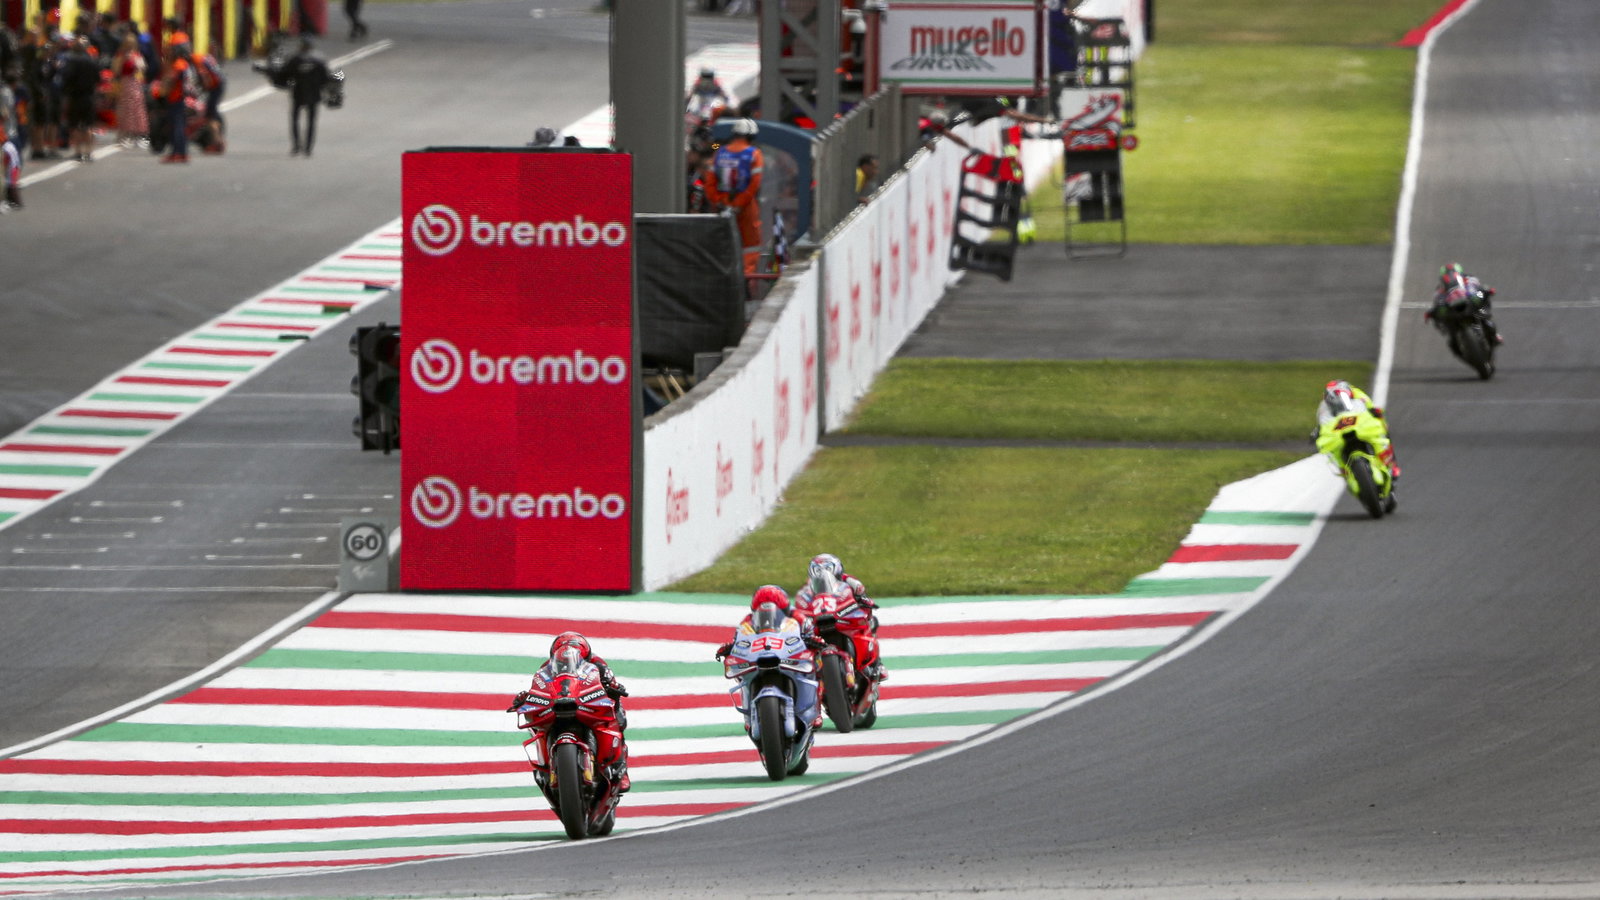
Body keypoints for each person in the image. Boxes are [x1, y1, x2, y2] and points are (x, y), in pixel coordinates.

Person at [510, 632, 630, 793]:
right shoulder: (545, 668)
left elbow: (612, 682)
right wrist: (526, 697)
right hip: (560, 702)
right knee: (535, 727)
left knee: (618, 719)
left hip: (587, 701)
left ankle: (620, 770)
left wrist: (614, 688)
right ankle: (545, 765)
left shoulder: (599, 664)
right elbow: (539, 685)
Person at [704, 117, 764, 274]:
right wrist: (738, 204)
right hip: (746, 208)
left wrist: (720, 202)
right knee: (750, 246)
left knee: (722, 244)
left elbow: (709, 184)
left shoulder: (719, 153)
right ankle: (746, 280)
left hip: (721, 207)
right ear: (751, 136)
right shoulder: (754, 154)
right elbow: (753, 186)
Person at [1313, 380, 1399, 480]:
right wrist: (1318, 430)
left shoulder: (1358, 395)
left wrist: (1374, 412)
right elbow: (1322, 420)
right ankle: (1343, 468)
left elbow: (1370, 406)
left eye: (1337, 393)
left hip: (1360, 422)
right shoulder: (1324, 406)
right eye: (1330, 394)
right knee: (1330, 447)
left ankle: (1390, 462)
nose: (1335, 396)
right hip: (1342, 427)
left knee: (1381, 428)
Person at [715, 585, 823, 661]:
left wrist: (811, 639)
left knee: (820, 657)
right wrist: (730, 647)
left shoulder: (796, 616)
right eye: (762, 612)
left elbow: (810, 633)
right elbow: (738, 639)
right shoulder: (748, 621)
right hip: (759, 656)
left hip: (792, 654)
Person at [1428, 262, 1502, 347]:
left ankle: (1493, 335)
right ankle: (1459, 343)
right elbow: (1438, 304)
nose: (1451, 276)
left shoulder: (1470, 279)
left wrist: (1486, 292)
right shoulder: (1439, 291)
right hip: (1453, 312)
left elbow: (1479, 289)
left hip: (1470, 305)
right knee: (1452, 341)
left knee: (1486, 319)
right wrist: (1434, 312)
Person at [283, 38, 330, 156]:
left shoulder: (294, 59)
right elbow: (325, 78)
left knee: (295, 120)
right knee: (311, 122)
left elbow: (285, 75)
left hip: (298, 93)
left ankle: (296, 146)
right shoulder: (319, 61)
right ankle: (308, 148)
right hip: (314, 94)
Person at [154, 42, 195, 163]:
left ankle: (178, 152)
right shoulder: (182, 64)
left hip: (176, 99)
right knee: (179, 126)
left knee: (176, 127)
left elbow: (170, 80)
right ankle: (180, 152)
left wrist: (163, 90)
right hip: (178, 98)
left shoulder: (179, 65)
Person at [59, 37, 98, 162]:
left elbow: (66, 77)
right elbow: (97, 78)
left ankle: (78, 151)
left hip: (75, 96)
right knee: (88, 125)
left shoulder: (71, 61)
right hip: (89, 95)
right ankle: (89, 151)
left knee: (75, 124)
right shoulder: (92, 61)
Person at [110, 31, 148, 148]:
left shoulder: (137, 55)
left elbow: (143, 67)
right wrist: (123, 61)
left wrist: (137, 63)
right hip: (124, 84)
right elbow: (115, 70)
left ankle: (138, 136)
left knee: (137, 109)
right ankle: (125, 136)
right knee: (125, 110)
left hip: (135, 83)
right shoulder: (120, 55)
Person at [192, 47, 226, 154]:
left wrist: (200, 88)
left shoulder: (196, 61)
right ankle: (217, 141)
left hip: (216, 86)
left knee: (210, 115)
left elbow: (204, 77)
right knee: (211, 111)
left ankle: (218, 142)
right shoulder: (201, 56)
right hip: (220, 82)